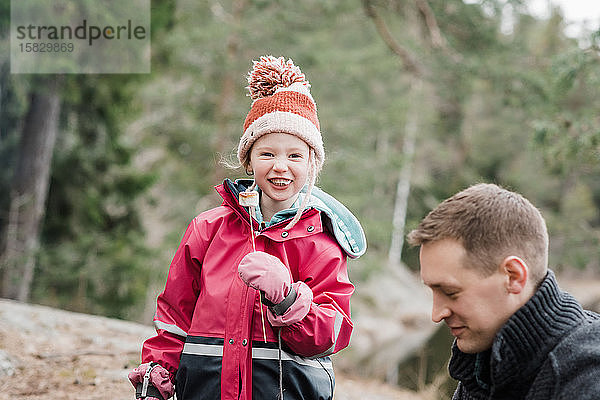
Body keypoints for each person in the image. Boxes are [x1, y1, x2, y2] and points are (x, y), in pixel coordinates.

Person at [128, 55, 366, 400]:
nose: (280, 166)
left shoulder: (323, 243)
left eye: (295, 156)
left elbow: (331, 336)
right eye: (267, 154)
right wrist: (159, 370)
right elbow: (174, 314)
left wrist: (288, 300)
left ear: (312, 164)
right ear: (248, 159)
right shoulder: (207, 230)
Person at [407, 183, 600, 399]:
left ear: (513, 276)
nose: (436, 314)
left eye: (450, 292)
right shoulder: (484, 362)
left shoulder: (589, 377)